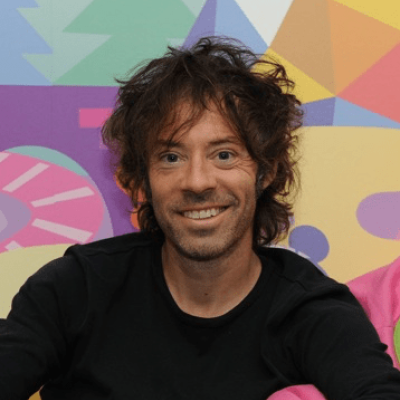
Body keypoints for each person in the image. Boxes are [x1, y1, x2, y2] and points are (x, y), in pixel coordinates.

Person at [1, 36, 400, 400]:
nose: (197, 181)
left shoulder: (311, 311)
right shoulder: (73, 290)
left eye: (224, 154)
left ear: (266, 171)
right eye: (171, 157)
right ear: (142, 180)